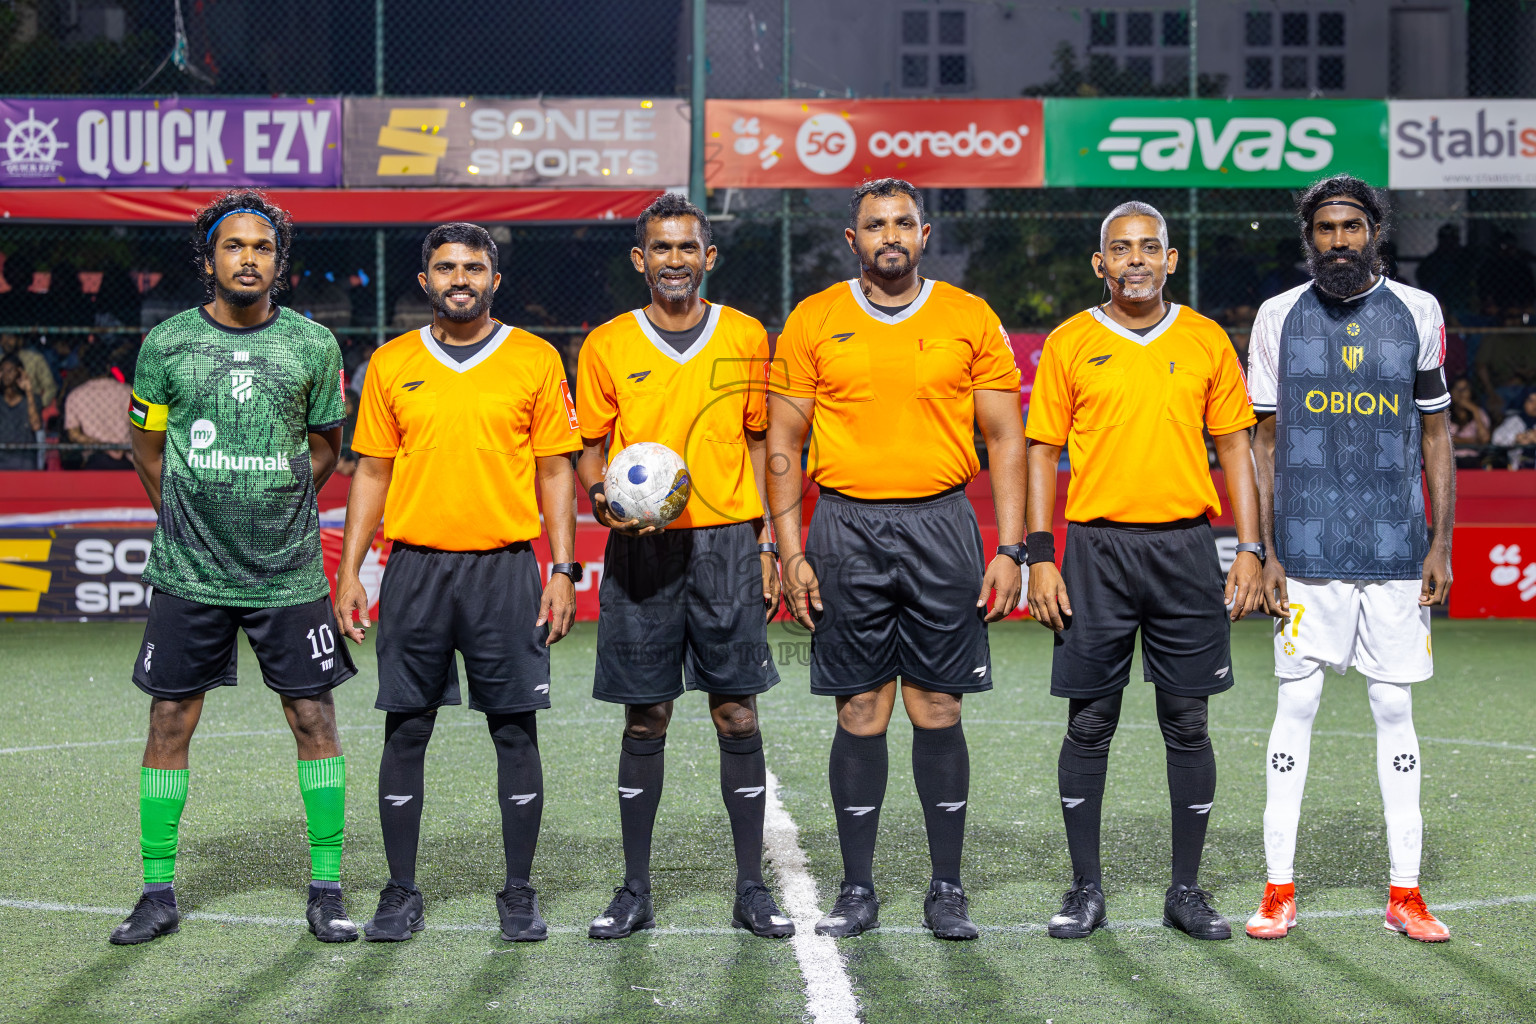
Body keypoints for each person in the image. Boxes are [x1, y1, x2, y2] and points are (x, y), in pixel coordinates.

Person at [767, 178, 1025, 941]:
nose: (890, 235)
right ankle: (857, 889)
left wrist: (1010, 547)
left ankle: (946, 889)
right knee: (861, 708)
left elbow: (1006, 439)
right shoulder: (814, 319)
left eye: (903, 223)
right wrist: (790, 550)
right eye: (875, 224)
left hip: (942, 526)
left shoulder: (969, 317)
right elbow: (782, 445)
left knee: (937, 707)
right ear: (853, 240)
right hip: (843, 528)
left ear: (925, 233)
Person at [113, 189, 356, 945]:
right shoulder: (167, 345)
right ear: (209, 258)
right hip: (190, 571)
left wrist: (276, 499)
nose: (248, 258)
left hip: (287, 571)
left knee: (313, 717)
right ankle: (157, 891)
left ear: (279, 264)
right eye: (234, 246)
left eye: (262, 248)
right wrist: (188, 513)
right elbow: (146, 449)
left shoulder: (313, 346)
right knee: (169, 718)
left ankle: (326, 887)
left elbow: (326, 445)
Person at [335, 222, 580, 944]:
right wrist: (351, 568)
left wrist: (562, 568)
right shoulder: (390, 363)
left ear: (495, 279)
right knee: (406, 727)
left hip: (506, 568)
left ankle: (519, 892)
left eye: (474, 266)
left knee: (514, 729)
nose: (460, 277)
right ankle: (401, 891)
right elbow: (372, 471)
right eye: (446, 267)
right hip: (414, 568)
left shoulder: (535, 359)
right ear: (425, 280)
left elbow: (556, 469)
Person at [1026, 200, 1263, 942]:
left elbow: (1236, 449)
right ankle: (1086, 889)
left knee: (1186, 721)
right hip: (1095, 551)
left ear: (1171, 260)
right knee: (1090, 721)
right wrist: (1039, 555)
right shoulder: (1069, 342)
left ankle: (1185, 892)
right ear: (1100, 264)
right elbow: (1040, 450)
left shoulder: (1204, 340)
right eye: (1121, 249)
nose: (1136, 259)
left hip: (1187, 549)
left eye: (1149, 247)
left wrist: (1251, 547)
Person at [1246, 175, 1456, 943]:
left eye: (1352, 227)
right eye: (1326, 229)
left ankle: (1406, 893)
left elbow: (1436, 433)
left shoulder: (1420, 313)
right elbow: (1262, 439)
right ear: (1310, 238)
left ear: (1376, 231)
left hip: (1397, 547)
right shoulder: (1277, 317)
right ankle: (1277, 890)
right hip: (1305, 548)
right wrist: (1264, 550)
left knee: (1394, 708)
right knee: (1294, 708)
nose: (1339, 240)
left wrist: (1442, 540)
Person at [575, 194, 790, 939]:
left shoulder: (746, 335)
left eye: (686, 248)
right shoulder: (606, 343)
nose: (674, 260)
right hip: (641, 549)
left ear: (708, 257)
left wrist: (765, 543)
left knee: (736, 711)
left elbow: (763, 441)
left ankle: (752, 888)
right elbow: (592, 450)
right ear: (640, 260)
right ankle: (634, 889)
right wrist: (602, 500)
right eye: (660, 248)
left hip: (727, 543)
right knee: (647, 714)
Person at [64, 345, 133, 469]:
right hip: (126, 458)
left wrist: (100, 444)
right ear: (108, 367)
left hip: (94, 459)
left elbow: (73, 434)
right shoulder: (128, 392)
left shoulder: (75, 395)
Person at [1414, 224, 1476, 322]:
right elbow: (1427, 287)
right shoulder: (1430, 263)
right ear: (1440, 241)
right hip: (1440, 307)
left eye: (1452, 240)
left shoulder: (1466, 260)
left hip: (1464, 305)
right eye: (1446, 240)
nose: (1449, 243)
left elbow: (1472, 283)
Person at [0, 354, 41, 470]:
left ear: (19, 373)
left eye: (10, 371)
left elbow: (36, 426)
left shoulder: (32, 399)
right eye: (2, 370)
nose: (6, 375)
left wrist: (28, 391)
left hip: (24, 457)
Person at [1, 332, 58, 410]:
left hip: (30, 407)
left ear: (20, 340)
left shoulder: (35, 359)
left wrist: (38, 405)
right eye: (2, 338)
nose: (5, 342)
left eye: (10, 337)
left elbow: (50, 387)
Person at [1448, 377, 1492, 468]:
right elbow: (1445, 439)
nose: (1460, 393)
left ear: (1471, 392)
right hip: (1449, 460)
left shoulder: (1479, 413)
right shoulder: (1444, 414)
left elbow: (1484, 439)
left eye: (1464, 389)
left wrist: (1474, 410)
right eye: (1457, 389)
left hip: (1472, 460)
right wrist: (1471, 441)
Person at [1491, 387, 1536, 469]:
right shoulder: (1514, 420)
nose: (1535, 405)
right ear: (1524, 402)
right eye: (1531, 401)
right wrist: (1515, 439)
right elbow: (1496, 438)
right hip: (1517, 471)